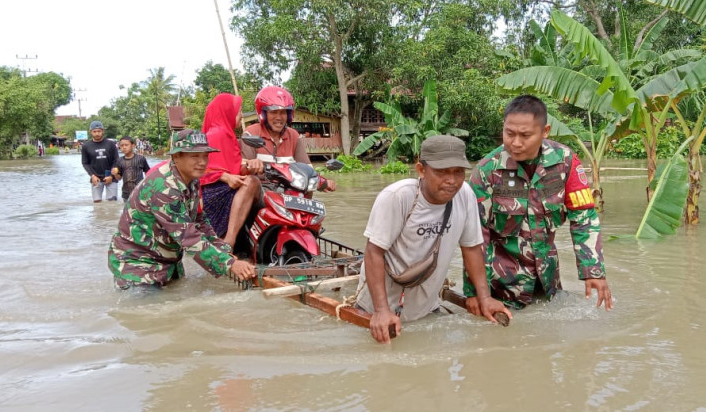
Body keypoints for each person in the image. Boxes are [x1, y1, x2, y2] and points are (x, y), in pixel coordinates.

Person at [464, 95, 613, 313]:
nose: (515, 142)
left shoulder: (566, 162)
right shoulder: (487, 171)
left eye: (525, 135)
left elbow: (584, 218)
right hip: (501, 290)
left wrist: (594, 271)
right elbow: (474, 237)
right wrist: (475, 294)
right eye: (509, 133)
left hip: (548, 284)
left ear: (545, 131)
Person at [356, 135, 511, 344]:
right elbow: (374, 252)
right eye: (442, 172)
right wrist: (381, 311)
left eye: (458, 172)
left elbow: (472, 248)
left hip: (427, 308)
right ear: (421, 170)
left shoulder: (464, 194)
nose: (452, 180)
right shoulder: (398, 197)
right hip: (378, 311)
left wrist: (484, 298)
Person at [108, 129, 256, 289]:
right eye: (194, 156)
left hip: (166, 262)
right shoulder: (164, 187)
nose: (202, 162)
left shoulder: (192, 180)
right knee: (150, 310)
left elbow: (200, 221)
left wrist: (225, 252)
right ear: (176, 156)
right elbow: (188, 237)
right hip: (137, 266)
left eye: (205, 156)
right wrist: (230, 264)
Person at [241, 86, 336, 192]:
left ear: (289, 115)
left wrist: (322, 181)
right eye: (273, 112)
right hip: (260, 192)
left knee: (308, 189)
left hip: (289, 191)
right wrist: (252, 164)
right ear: (263, 114)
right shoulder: (251, 133)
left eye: (283, 112)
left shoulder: (293, 135)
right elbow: (242, 169)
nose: (279, 117)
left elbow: (307, 169)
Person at [199, 93, 257, 249]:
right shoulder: (216, 135)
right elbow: (197, 171)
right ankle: (229, 240)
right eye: (238, 112)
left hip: (222, 188)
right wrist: (225, 177)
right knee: (252, 182)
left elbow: (231, 166)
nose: (241, 117)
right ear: (227, 112)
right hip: (212, 193)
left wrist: (249, 166)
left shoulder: (228, 135)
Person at [81, 121, 119, 202]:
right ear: (90, 132)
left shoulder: (111, 144)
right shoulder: (85, 146)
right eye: (94, 131)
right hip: (96, 178)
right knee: (97, 204)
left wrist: (111, 176)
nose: (97, 133)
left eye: (99, 131)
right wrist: (92, 175)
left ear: (103, 131)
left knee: (112, 203)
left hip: (111, 178)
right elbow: (85, 163)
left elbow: (116, 160)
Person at [111, 136, 150, 202]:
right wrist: (115, 174)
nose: (124, 147)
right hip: (126, 193)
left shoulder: (141, 159)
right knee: (127, 211)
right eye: (122, 145)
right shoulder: (119, 161)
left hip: (139, 192)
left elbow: (148, 172)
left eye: (126, 145)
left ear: (133, 146)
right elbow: (119, 178)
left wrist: (149, 186)